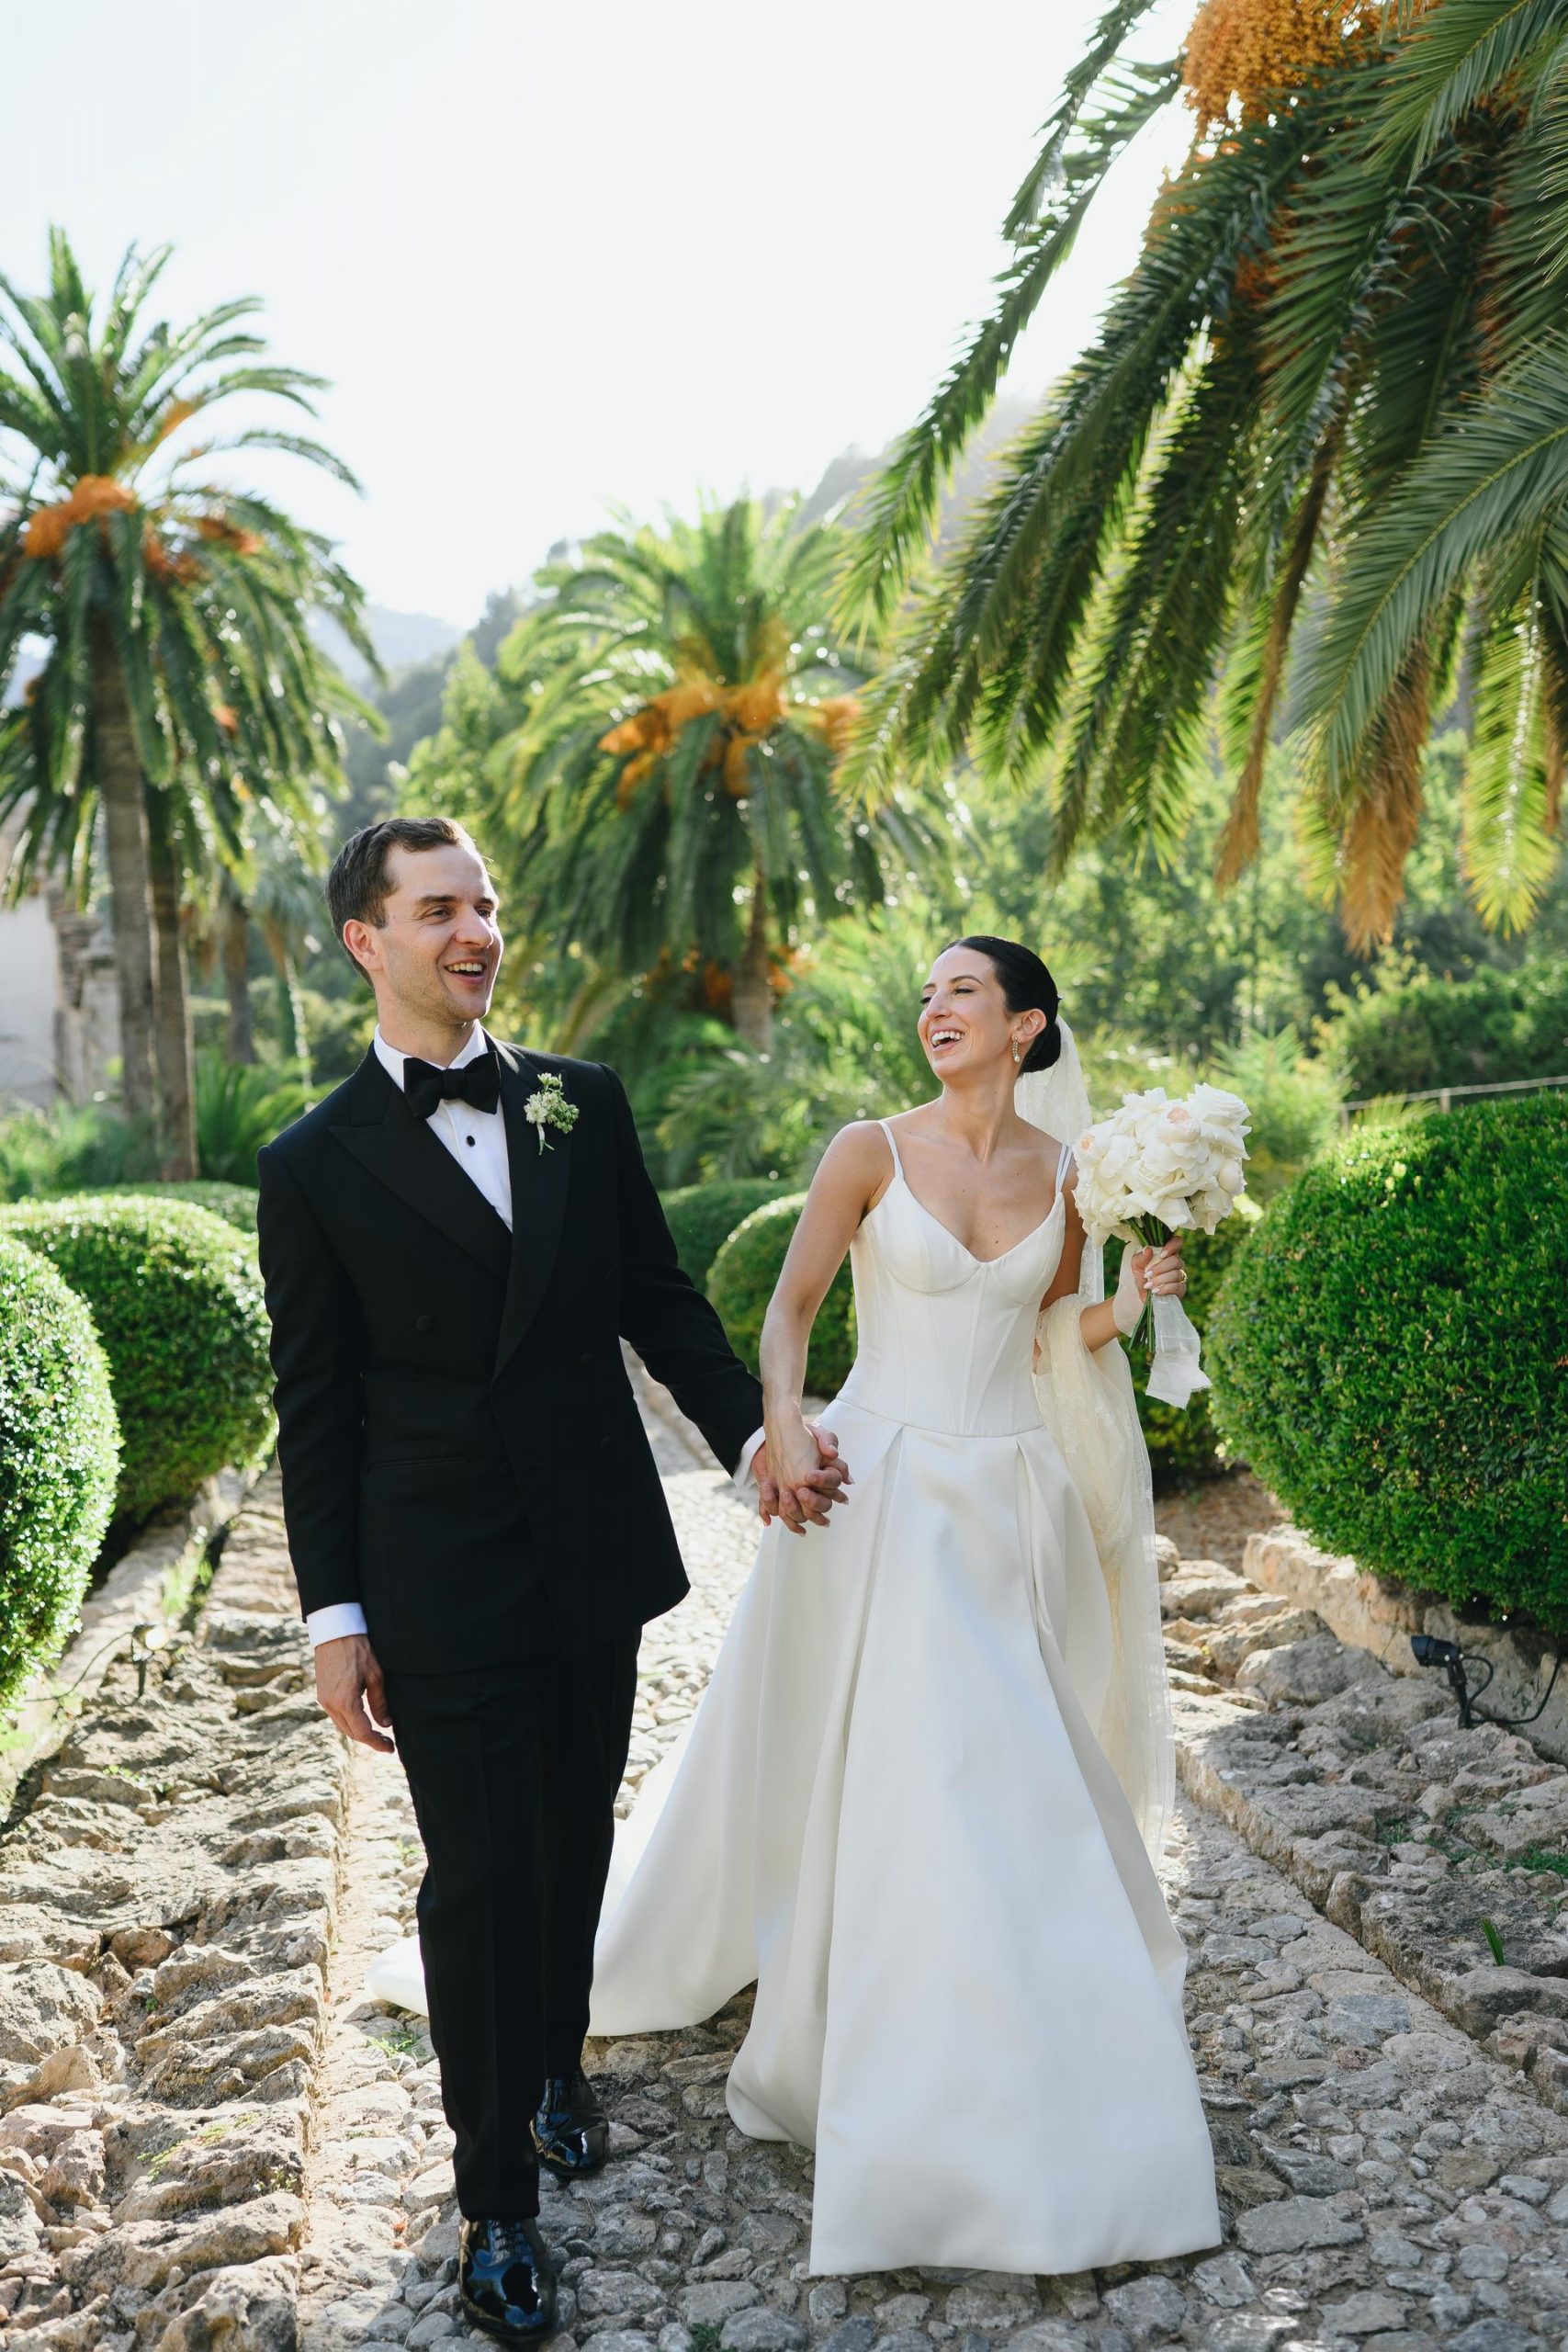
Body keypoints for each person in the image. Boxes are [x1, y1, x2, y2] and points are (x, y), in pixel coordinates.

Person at [254, 817, 847, 2344]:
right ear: (365, 941)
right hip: (435, 1567)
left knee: (575, 1830)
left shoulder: (582, 1103)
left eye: (488, 906)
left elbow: (657, 1296)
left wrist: (755, 1438)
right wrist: (337, 1616)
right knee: (475, 1875)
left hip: (587, 1542)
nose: (476, 931)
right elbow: (316, 1412)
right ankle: (492, 2206)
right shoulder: (311, 1165)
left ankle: (556, 2060)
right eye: (438, 908)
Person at [587, 934, 1224, 2276]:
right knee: (907, 1771)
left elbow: (1053, 1338)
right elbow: (791, 1309)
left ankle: (1029, 2047)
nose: (934, 1008)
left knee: (1000, 1776)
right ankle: (916, 2070)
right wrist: (781, 1431)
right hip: (875, 1490)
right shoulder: (867, 1147)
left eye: (963, 993)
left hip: (1011, 1501)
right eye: (927, 992)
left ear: (1026, 1026)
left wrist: (1131, 1295)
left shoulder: (1072, 1175)